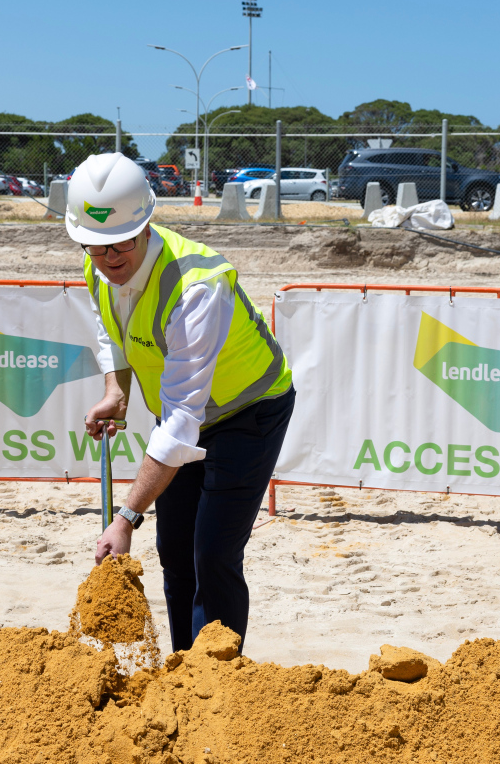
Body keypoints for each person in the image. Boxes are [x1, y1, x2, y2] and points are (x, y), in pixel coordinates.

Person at [70, 152, 296, 654]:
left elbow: (180, 423)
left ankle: (217, 678)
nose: (109, 257)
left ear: (146, 223)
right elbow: (113, 332)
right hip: (184, 413)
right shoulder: (98, 266)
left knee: (213, 551)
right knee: (174, 550)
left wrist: (125, 517)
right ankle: (184, 667)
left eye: (121, 242)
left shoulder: (197, 286)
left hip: (249, 411)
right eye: (96, 246)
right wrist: (116, 390)